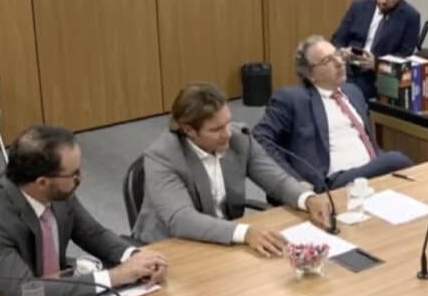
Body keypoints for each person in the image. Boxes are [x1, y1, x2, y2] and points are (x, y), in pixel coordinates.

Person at [0, 125, 168, 296]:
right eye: (73, 174)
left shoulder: (56, 190)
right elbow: (26, 292)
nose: (80, 178)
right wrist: (117, 276)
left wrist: (136, 258)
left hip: (56, 294)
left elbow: (92, 233)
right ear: (42, 182)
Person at [133, 83, 334, 256]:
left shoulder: (240, 137)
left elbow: (276, 179)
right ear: (188, 130)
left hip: (225, 241)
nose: (228, 133)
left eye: (228, 122)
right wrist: (245, 232)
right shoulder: (162, 157)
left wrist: (307, 199)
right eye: (216, 129)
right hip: (170, 247)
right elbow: (182, 220)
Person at [254, 35, 413, 192]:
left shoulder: (353, 92)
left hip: (370, 174)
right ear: (310, 75)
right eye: (327, 61)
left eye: (337, 54)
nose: (339, 62)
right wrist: (293, 181)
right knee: (397, 160)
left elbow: (369, 141)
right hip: (333, 183)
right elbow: (260, 138)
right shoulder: (292, 99)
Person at [332, 0, 421, 100]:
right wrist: (342, 52)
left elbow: (404, 60)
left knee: (348, 94)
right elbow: (337, 39)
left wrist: (377, 64)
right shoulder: (359, 6)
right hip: (346, 69)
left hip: (377, 78)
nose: (384, 0)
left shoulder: (410, 17)